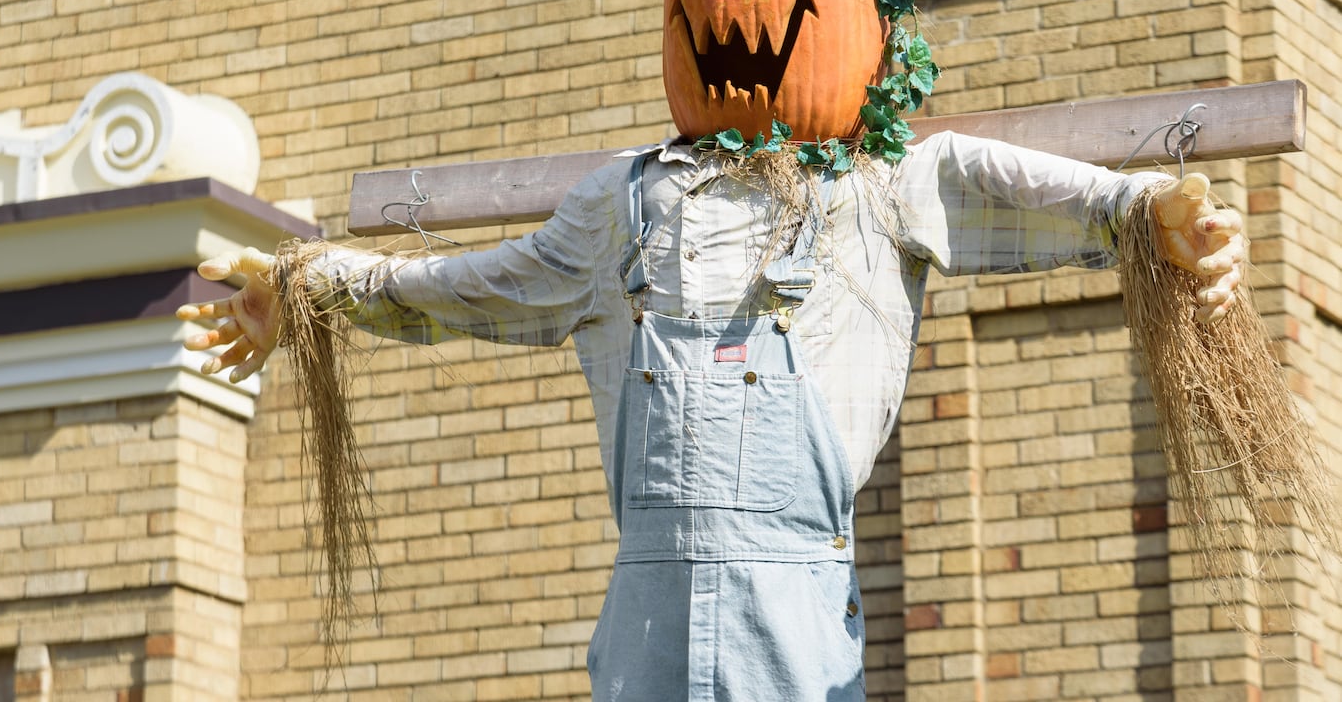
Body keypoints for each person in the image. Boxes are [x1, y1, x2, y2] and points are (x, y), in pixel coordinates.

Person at [179, 134, 1243, 701]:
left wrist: (1153, 210)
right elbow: (473, 284)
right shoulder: (622, 204)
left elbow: (1030, 195)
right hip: (641, 631)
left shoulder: (879, 190)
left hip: (794, 627)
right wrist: (315, 284)